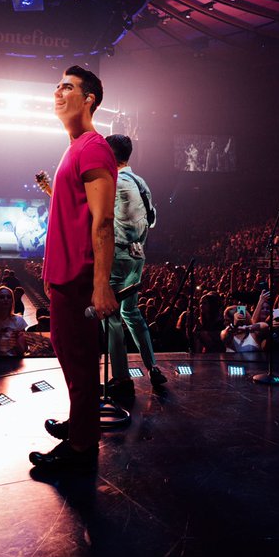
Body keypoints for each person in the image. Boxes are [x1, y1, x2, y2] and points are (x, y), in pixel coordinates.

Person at [30, 65, 118, 472]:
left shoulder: (94, 148)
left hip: (80, 278)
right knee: (69, 354)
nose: (58, 92)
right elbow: (73, 212)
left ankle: (82, 447)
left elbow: (103, 222)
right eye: (57, 86)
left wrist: (101, 286)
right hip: (63, 277)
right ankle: (80, 422)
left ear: (89, 100)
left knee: (80, 361)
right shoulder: (75, 147)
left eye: (67, 87)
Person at [103, 133, 167, 391]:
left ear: (109, 154)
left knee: (111, 315)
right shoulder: (140, 182)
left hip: (118, 255)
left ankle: (121, 378)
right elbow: (153, 220)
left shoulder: (112, 181)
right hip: (138, 255)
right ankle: (152, 366)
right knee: (131, 312)